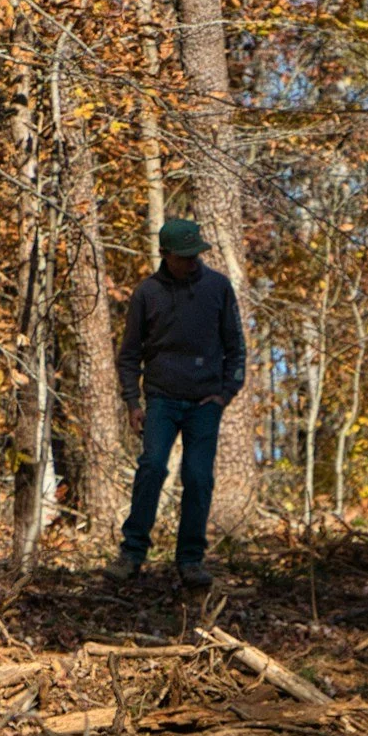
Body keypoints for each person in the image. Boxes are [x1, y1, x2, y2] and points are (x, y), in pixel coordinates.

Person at [108, 218, 246, 586]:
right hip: (161, 400)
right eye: (183, 257)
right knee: (152, 466)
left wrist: (225, 393)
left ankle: (190, 561)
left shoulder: (218, 287)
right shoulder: (146, 294)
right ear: (165, 255)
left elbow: (236, 348)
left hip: (205, 402)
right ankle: (132, 553)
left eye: (195, 255)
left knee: (199, 478)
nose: (191, 262)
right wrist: (132, 402)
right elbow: (128, 355)